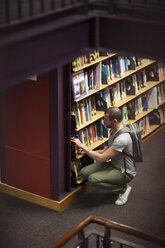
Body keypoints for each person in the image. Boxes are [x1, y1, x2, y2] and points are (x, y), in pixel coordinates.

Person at [71, 106, 136, 205]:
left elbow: (101, 159)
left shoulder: (122, 138)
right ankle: (117, 182)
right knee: (84, 173)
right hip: (113, 165)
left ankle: (123, 188)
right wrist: (88, 151)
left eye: (106, 119)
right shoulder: (115, 129)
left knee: (93, 179)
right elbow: (108, 150)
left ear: (114, 120)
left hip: (125, 172)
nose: (103, 121)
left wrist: (82, 146)